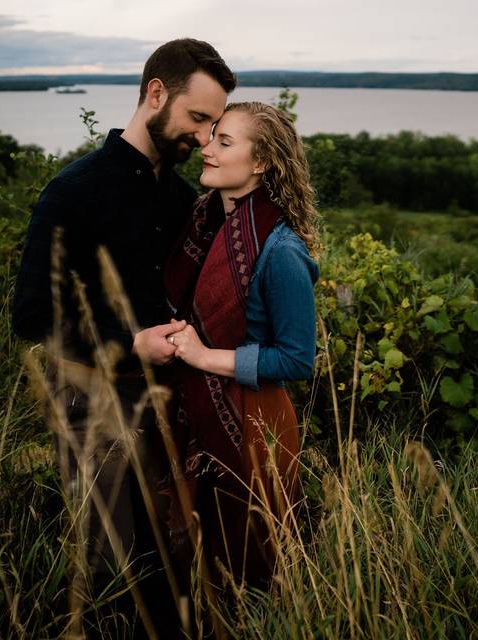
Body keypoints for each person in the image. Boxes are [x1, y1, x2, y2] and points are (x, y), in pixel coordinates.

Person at [11, 39, 235, 638]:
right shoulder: (74, 191)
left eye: (216, 126)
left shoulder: (187, 199)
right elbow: (32, 315)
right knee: (114, 574)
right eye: (197, 119)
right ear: (155, 94)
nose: (204, 137)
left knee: (180, 567)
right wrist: (129, 343)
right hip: (95, 409)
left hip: (173, 407)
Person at [162, 102, 321, 591]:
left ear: (260, 163)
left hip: (253, 423)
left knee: (249, 564)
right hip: (193, 406)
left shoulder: (281, 250)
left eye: (223, 142)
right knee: (194, 564)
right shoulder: (205, 222)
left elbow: (297, 358)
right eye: (211, 137)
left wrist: (205, 357)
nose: (206, 150)